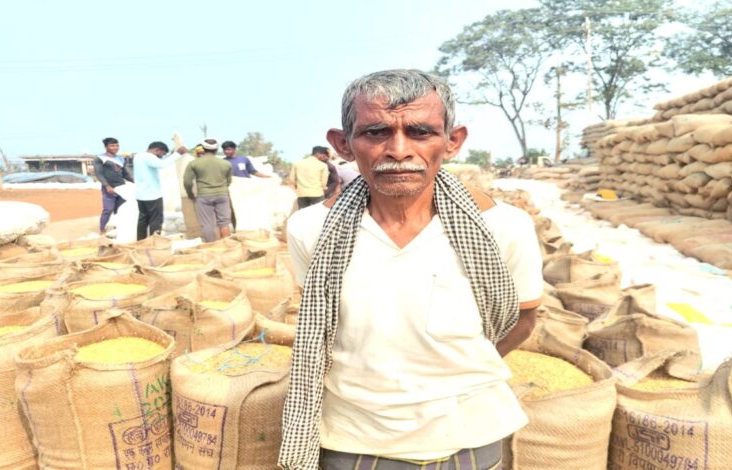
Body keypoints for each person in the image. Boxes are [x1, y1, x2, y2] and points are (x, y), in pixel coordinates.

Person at [281, 69, 543, 470]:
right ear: (343, 144)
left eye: (421, 132)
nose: (398, 150)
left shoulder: (503, 227)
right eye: (375, 133)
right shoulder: (310, 229)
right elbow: (321, 326)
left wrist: (452, 376)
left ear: (452, 142)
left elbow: (521, 320)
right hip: (352, 439)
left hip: (470, 435)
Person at [132, 141, 188, 240]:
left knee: (143, 220)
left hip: (141, 195)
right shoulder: (149, 157)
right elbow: (162, 164)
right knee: (156, 220)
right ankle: (155, 240)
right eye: (162, 154)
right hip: (152, 195)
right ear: (157, 150)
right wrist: (177, 153)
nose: (162, 157)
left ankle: (140, 241)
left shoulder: (138, 156)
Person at [183, 138, 233, 242]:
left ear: (203, 148)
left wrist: (190, 194)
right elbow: (229, 181)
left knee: (207, 224)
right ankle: (228, 245)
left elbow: (187, 182)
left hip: (204, 196)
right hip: (222, 195)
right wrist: (222, 189)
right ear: (217, 149)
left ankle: (212, 246)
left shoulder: (194, 163)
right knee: (223, 222)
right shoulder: (226, 164)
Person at [94, 137, 133, 235]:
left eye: (117, 145)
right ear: (106, 147)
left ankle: (118, 227)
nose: (115, 147)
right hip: (109, 188)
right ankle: (102, 229)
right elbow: (99, 174)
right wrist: (107, 186)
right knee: (108, 209)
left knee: (120, 209)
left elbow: (125, 174)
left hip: (122, 188)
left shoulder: (120, 158)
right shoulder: (100, 158)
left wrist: (134, 181)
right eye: (112, 145)